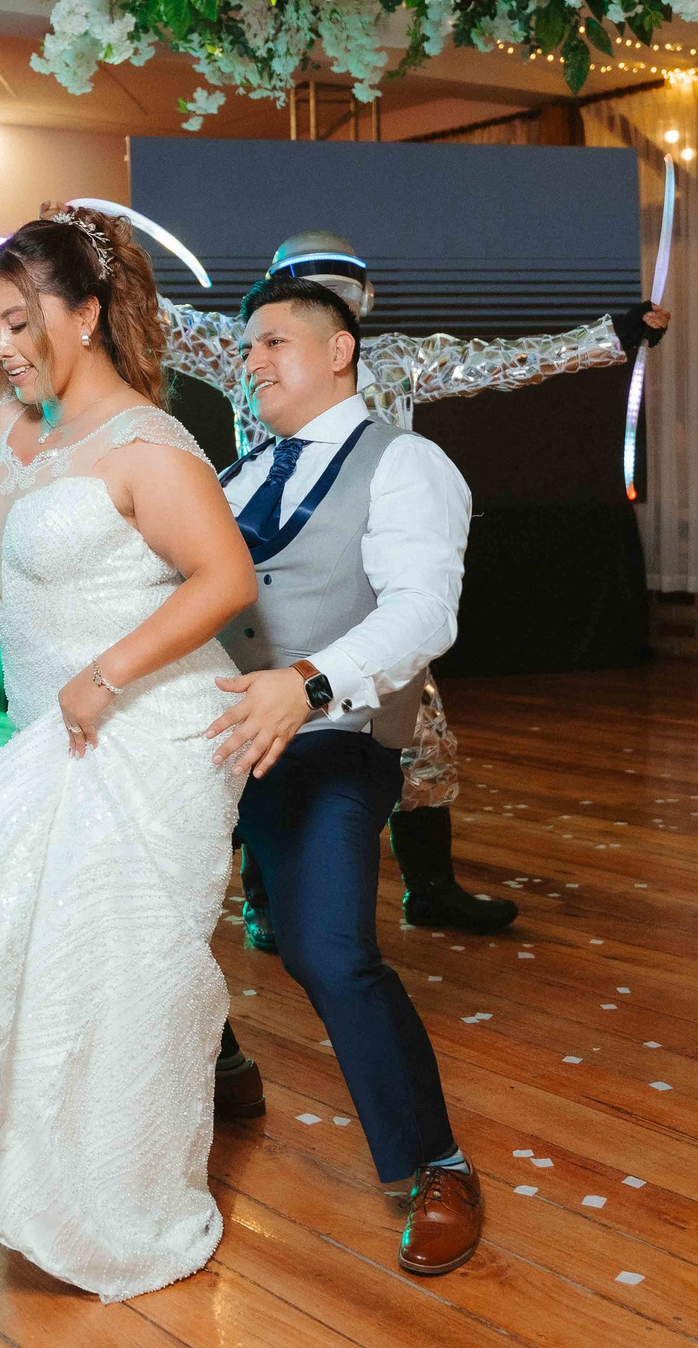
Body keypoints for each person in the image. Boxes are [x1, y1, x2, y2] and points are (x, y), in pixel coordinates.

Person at [0, 170, 258, 1302]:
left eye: (20, 322)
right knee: (22, 964)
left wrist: (106, 677)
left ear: (86, 315)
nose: (0, 347)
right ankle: (52, 1190)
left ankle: (130, 1207)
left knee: (119, 979)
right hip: (46, 736)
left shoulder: (144, 443)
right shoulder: (12, 423)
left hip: (146, 731)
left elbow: (225, 579)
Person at [164, 234, 669, 944]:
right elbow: (151, 318)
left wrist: (610, 337)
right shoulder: (243, 347)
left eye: (343, 284)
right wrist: (74, 255)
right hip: (274, 594)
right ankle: (268, 902)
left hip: (378, 581)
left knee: (424, 739)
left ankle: (430, 888)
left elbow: (506, 362)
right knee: (257, 739)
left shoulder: (399, 359)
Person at [201, 270, 492, 1277]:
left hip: (331, 741)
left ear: (338, 351)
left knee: (326, 951)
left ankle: (434, 1166)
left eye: (274, 342)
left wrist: (308, 684)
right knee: (146, 918)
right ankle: (223, 1064)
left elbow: (424, 613)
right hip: (214, 737)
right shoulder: (236, 474)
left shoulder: (405, 463)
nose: (252, 362)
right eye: (247, 346)